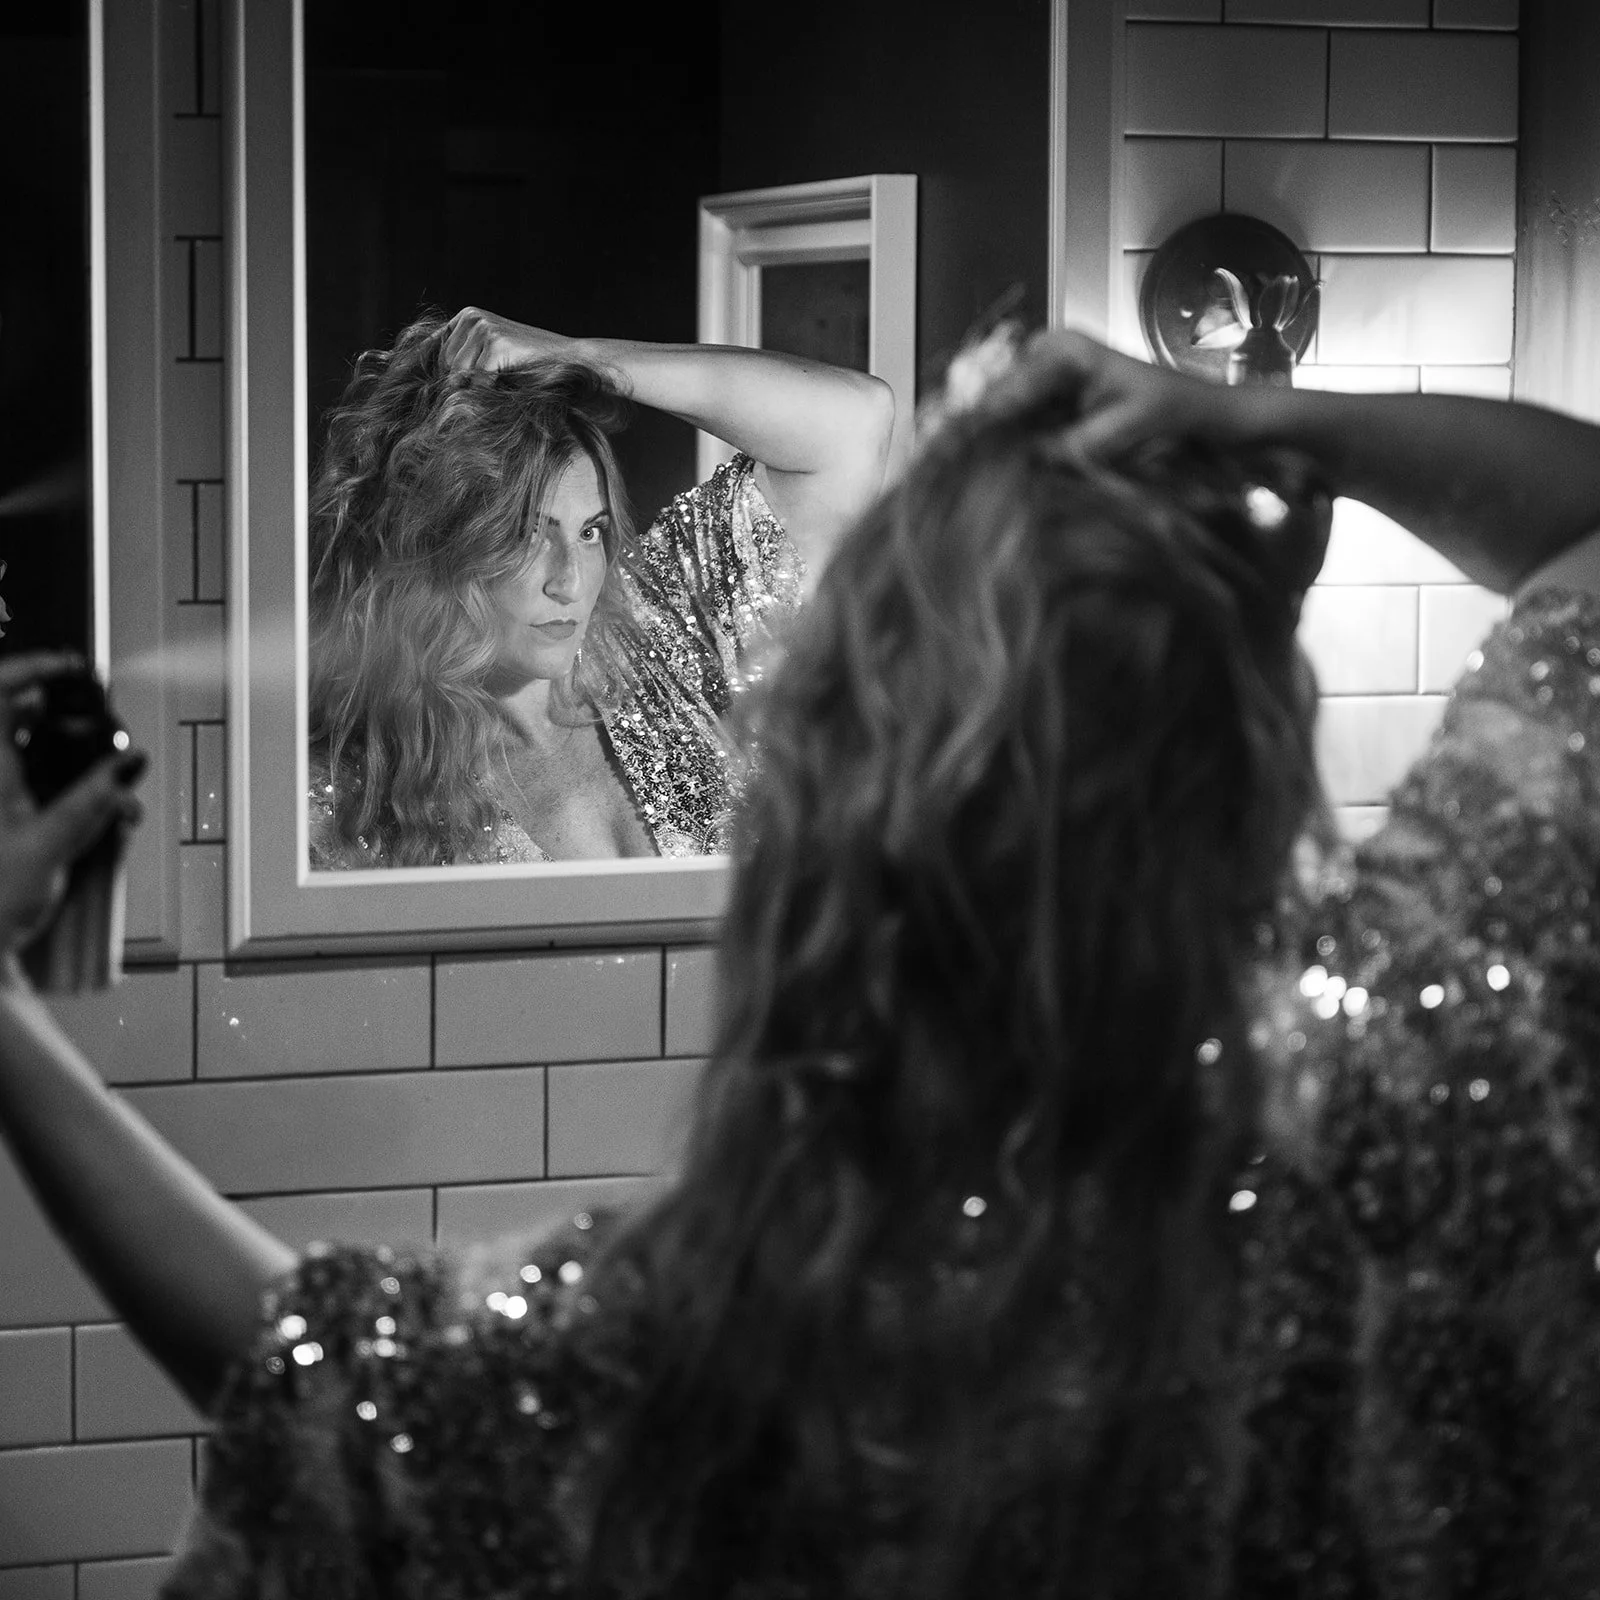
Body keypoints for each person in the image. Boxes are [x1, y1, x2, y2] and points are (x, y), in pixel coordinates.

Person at [2, 328, 1600, 1597]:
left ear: (840, 801)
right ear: (1252, 730)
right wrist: (1262, 421)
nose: (572, 575)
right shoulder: (1434, 1083)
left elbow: (309, 1366)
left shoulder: (773, 1353)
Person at [307, 307, 894, 866]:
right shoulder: (364, 799)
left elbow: (854, 420)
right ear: (438, 547)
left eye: (591, 532)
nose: (569, 582)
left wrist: (577, 356)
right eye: (527, 535)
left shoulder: (662, 636)